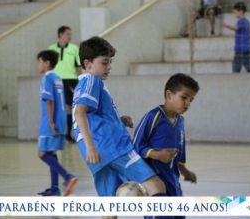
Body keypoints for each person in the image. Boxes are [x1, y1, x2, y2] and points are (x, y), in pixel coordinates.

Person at [72, 36, 166, 218]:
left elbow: (91, 114)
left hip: (100, 154)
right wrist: (91, 146)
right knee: (155, 185)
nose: (109, 67)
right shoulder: (92, 80)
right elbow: (79, 113)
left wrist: (119, 120)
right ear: (88, 64)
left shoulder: (84, 84)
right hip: (111, 147)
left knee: (110, 207)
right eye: (104, 63)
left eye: (110, 62)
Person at [133, 73, 199, 219]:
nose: (188, 103)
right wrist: (156, 155)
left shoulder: (180, 121)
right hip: (155, 184)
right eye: (184, 97)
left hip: (174, 183)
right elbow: (136, 146)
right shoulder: (153, 116)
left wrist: (185, 171)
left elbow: (179, 153)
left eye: (191, 99)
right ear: (169, 95)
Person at [36, 50, 78, 196]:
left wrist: (50, 121)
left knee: (41, 153)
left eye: (39, 62)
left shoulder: (47, 78)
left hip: (51, 122)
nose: (38, 65)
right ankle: (55, 188)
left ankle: (68, 177)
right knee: (51, 153)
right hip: (62, 121)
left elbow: (49, 100)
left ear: (46, 63)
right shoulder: (57, 78)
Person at [49, 26, 81, 142]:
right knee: (55, 106)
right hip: (56, 80)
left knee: (69, 107)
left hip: (70, 81)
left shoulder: (74, 48)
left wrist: (81, 81)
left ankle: (68, 134)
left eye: (70, 34)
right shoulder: (51, 49)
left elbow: (78, 66)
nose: (70, 36)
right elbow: (49, 68)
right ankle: (56, 132)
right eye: (68, 34)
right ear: (60, 35)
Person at [223, 2, 250, 73]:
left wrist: (225, 25)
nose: (234, 14)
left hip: (241, 49)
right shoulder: (247, 22)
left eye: (235, 12)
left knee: (236, 68)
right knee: (249, 66)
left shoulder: (242, 21)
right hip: (247, 48)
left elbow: (236, 28)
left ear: (241, 12)